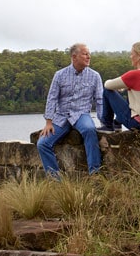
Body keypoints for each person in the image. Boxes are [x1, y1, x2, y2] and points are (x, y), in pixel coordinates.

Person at [36, 43, 103, 177]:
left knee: (90, 130)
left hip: (81, 115)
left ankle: (95, 174)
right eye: (85, 54)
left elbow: (100, 100)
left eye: (89, 53)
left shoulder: (95, 76)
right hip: (61, 116)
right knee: (42, 143)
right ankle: (55, 179)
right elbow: (52, 98)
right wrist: (48, 122)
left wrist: (103, 122)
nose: (88, 56)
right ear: (74, 57)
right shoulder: (60, 75)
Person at [98, 41, 140, 132]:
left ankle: (107, 125)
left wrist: (120, 85)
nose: (130, 57)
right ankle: (117, 123)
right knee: (130, 93)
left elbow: (107, 85)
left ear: (139, 56)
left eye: (132, 54)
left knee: (107, 91)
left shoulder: (135, 75)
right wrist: (127, 86)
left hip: (137, 124)